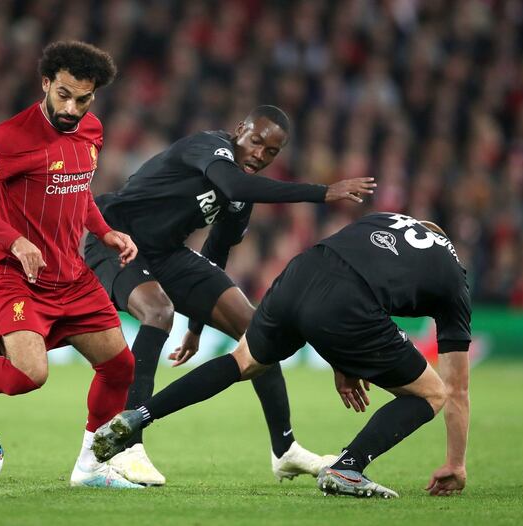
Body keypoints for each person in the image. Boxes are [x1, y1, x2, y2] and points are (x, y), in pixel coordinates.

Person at [85, 105, 375, 485]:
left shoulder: (240, 200)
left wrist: (197, 327)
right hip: (115, 237)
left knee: (258, 330)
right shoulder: (210, 147)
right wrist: (323, 193)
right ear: (240, 129)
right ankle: (129, 446)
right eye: (255, 141)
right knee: (157, 311)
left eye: (270, 152)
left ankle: (284, 450)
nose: (259, 154)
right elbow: (235, 184)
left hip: (167, 253)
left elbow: (215, 254)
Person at [92, 213, 471, 499]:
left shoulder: (384, 220)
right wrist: (455, 464)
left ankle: (138, 415)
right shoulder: (453, 279)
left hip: (300, 273)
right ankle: (349, 467)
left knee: (243, 361)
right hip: (347, 302)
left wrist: (345, 361)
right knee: (432, 393)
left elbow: (349, 270)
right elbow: (457, 390)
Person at [0, 41, 143, 489]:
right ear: (45, 83)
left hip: (71, 276)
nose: (72, 107)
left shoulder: (92, 130)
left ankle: (90, 468)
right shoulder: (11, 137)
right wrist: (15, 240)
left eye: (83, 99)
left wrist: (104, 232)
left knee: (120, 367)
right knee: (28, 375)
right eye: (64, 94)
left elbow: (77, 191)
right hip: (15, 276)